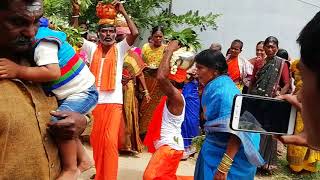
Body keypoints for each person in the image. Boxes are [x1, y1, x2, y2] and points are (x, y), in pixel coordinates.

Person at [0, 17, 98, 179]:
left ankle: (71, 168)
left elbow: (52, 73)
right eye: (18, 22)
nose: (31, 32)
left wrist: (83, 120)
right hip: (77, 92)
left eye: (36, 22)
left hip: (80, 92)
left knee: (60, 122)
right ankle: (82, 160)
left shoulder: (40, 48)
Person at [81, 1, 139, 179]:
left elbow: (135, 33)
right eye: (104, 31)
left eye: (111, 31)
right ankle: (100, 175)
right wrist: (76, 15)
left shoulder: (120, 49)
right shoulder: (92, 49)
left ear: (115, 34)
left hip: (114, 104)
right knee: (97, 143)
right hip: (95, 103)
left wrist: (122, 11)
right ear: (98, 34)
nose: (108, 34)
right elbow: (75, 37)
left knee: (109, 142)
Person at [194, 49, 264, 180]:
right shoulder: (215, 85)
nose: (196, 71)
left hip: (231, 156)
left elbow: (239, 132)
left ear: (214, 70)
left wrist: (223, 167)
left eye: (200, 68)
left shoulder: (224, 93)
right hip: (215, 147)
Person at [143, 41, 187, 180]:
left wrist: (169, 50)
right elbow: (156, 73)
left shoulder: (176, 96)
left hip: (170, 147)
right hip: (169, 147)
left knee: (150, 177)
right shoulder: (173, 95)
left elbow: (161, 77)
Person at [249, 36, 291, 171]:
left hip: (271, 102)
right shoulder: (259, 62)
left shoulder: (282, 63)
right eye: (268, 46)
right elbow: (253, 81)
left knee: (267, 132)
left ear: (277, 48)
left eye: (273, 47)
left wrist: (280, 96)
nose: (270, 49)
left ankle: (265, 164)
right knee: (254, 130)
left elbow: (287, 83)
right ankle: (252, 161)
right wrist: (249, 97)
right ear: (264, 47)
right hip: (257, 99)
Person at [116, 26, 151, 154]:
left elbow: (140, 74)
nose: (122, 39)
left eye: (124, 37)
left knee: (128, 114)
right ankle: (116, 143)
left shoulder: (133, 54)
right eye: (120, 36)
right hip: (114, 87)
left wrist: (145, 91)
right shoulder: (113, 52)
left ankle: (128, 144)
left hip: (129, 89)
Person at [285, 59, 320, 173]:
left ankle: (305, 166)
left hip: (308, 103)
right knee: (302, 132)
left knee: (307, 132)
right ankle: (298, 165)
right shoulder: (296, 64)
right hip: (301, 103)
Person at [139, 26, 167, 137]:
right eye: (156, 36)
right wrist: (145, 66)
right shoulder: (146, 47)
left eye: (160, 36)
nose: (158, 39)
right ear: (152, 36)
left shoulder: (165, 49)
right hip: (146, 80)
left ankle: (151, 134)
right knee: (143, 106)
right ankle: (141, 133)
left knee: (155, 108)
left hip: (158, 82)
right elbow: (141, 62)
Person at [181, 66, 200, 159]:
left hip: (193, 95)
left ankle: (193, 146)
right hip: (182, 91)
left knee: (192, 120)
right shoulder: (180, 61)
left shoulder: (197, 64)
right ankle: (184, 147)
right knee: (182, 120)